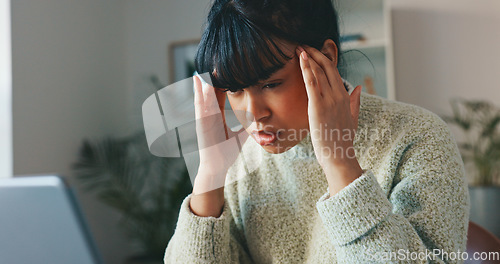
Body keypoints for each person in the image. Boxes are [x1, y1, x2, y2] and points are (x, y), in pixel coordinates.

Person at [164, 0, 470, 263]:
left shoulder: (417, 137)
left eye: (270, 84)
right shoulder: (240, 161)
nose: (253, 113)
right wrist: (209, 174)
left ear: (327, 58)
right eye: (234, 89)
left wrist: (339, 162)